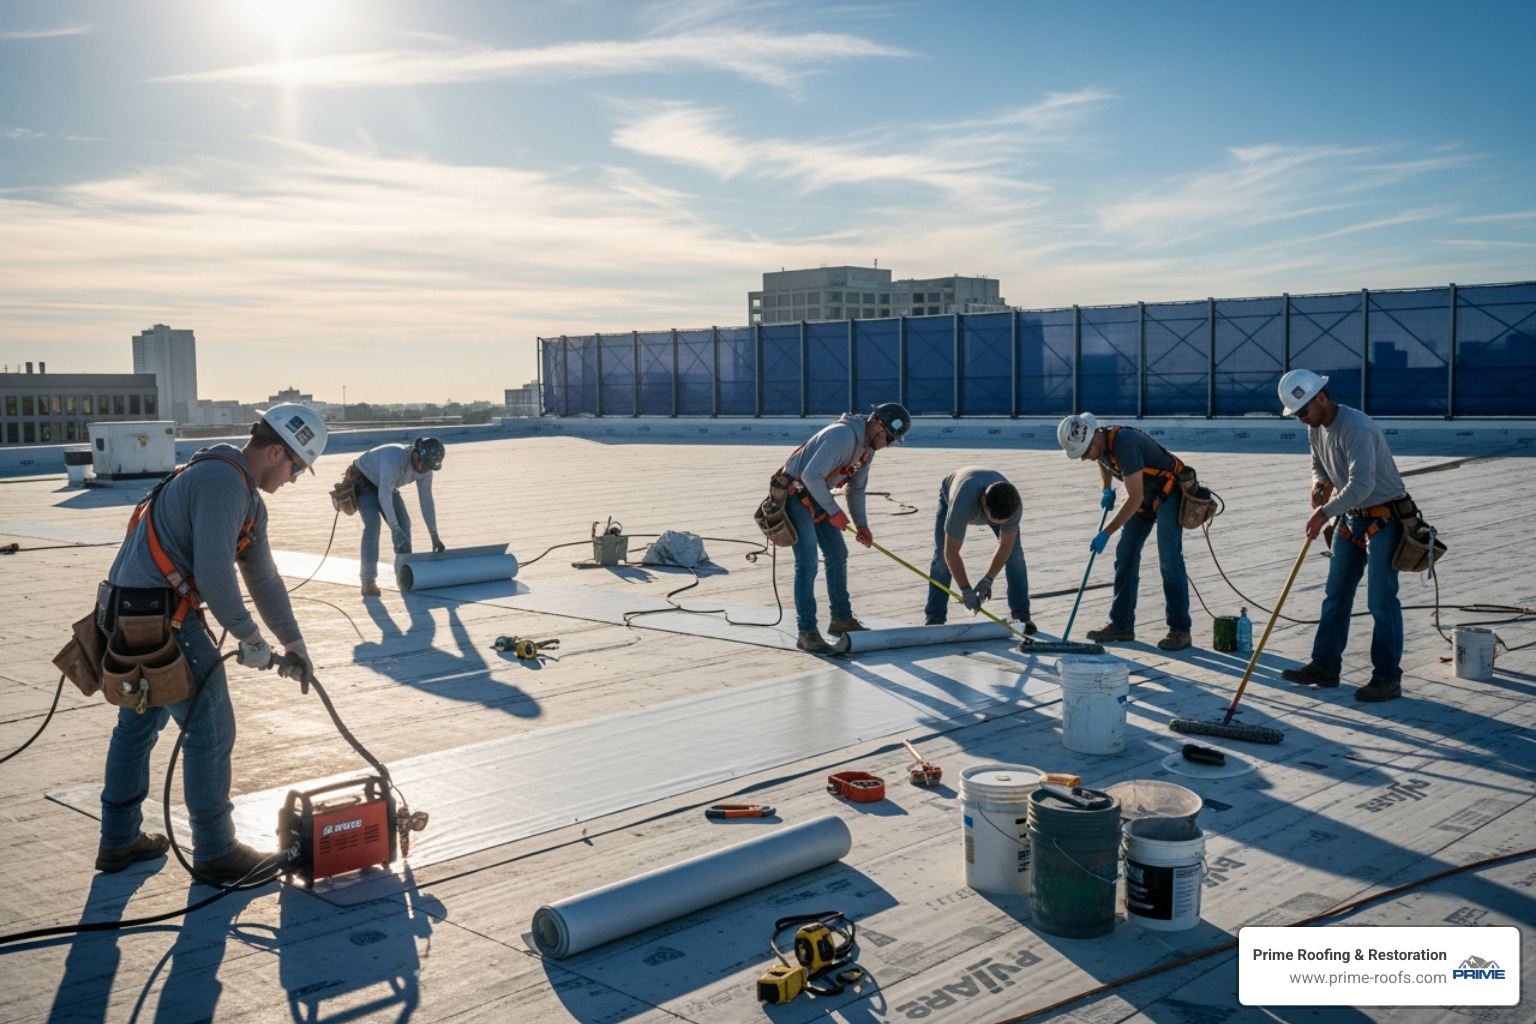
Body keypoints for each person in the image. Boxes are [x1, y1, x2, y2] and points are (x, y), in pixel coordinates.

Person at [95, 404, 325, 883]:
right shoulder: (223, 483)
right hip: (163, 618)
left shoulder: (238, 492)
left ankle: (118, 840)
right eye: (297, 467)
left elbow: (263, 576)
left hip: (129, 614)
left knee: (137, 725)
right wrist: (249, 636)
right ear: (276, 450)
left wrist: (293, 640)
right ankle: (216, 851)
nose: (296, 478)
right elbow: (216, 572)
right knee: (211, 729)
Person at [1277, 370, 1408, 701]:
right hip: (1351, 517)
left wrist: (1323, 514)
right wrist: (1319, 486)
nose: (1302, 420)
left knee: (1380, 600)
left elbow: (1362, 484)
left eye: (1303, 412)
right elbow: (1319, 466)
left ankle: (1388, 678)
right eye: (1296, 416)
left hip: (1384, 517)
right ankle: (1324, 666)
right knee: (1335, 594)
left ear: (1321, 397)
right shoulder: (1316, 428)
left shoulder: (1356, 427)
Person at [779, 403, 910, 653]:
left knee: (838, 555)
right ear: (876, 423)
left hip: (817, 496)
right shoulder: (841, 436)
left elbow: (856, 488)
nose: (887, 444)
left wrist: (862, 525)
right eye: (888, 438)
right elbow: (810, 476)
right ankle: (806, 632)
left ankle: (841, 619)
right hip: (795, 497)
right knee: (807, 564)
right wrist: (835, 512)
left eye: (892, 441)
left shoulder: (867, 450)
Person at [1057, 412, 1193, 651]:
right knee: (1125, 556)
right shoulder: (1099, 447)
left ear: (1095, 437)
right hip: (1144, 493)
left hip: (1168, 493)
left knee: (1169, 560)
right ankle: (1122, 625)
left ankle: (1180, 629)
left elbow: (1134, 498)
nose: (1084, 459)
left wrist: (1106, 533)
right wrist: (1106, 489)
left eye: (1085, 452)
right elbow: (1104, 464)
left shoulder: (1124, 442)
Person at [923, 468, 1033, 632]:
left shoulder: (1013, 507)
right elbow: (951, 553)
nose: (996, 524)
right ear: (983, 501)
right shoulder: (963, 503)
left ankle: (1021, 614)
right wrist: (965, 589)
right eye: (993, 520)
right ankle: (934, 617)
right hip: (952, 493)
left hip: (986, 490)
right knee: (941, 558)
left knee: (1015, 556)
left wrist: (988, 580)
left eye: (1001, 522)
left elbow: (1005, 547)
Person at [354, 437, 446, 596]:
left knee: (405, 524)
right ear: (416, 455)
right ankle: (368, 581)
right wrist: (394, 529)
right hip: (364, 481)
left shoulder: (426, 469)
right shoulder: (394, 458)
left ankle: (404, 575)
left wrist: (434, 534)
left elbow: (426, 499)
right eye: (423, 465)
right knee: (373, 526)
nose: (424, 470)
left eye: (429, 468)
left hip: (388, 485)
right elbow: (384, 496)